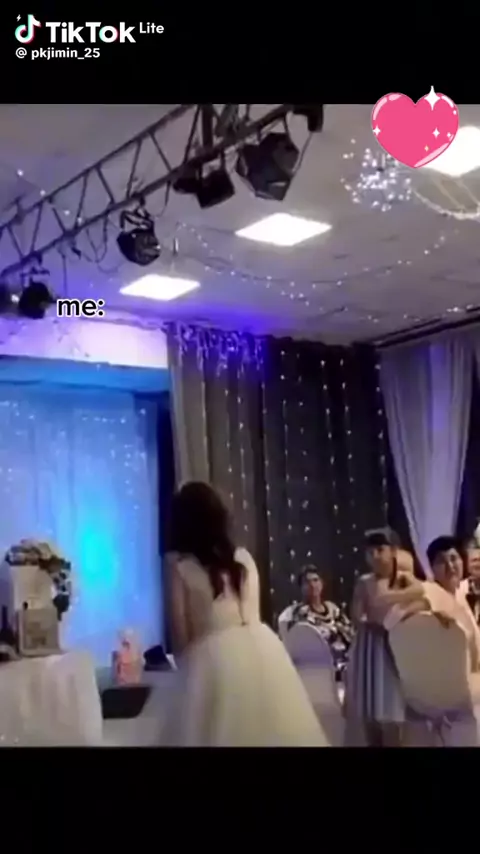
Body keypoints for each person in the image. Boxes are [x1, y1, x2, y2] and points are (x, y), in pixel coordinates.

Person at [160, 482, 329, 747]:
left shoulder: (178, 566)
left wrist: (187, 680)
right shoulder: (243, 559)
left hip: (211, 662)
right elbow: (253, 614)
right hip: (263, 651)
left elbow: (180, 637)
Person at [344, 527, 427, 747]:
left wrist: (391, 604)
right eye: (370, 552)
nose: (375, 556)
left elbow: (421, 596)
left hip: (396, 647)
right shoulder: (365, 582)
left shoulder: (404, 579)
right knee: (370, 711)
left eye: (380, 550)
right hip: (370, 647)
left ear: (393, 551)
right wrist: (372, 620)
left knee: (393, 710)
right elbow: (357, 616)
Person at [287, 565, 354, 680]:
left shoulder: (333, 608)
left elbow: (350, 633)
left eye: (315, 580)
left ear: (322, 584)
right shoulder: (300, 613)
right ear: (301, 587)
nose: (312, 585)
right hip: (320, 668)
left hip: (346, 662)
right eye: (307, 582)